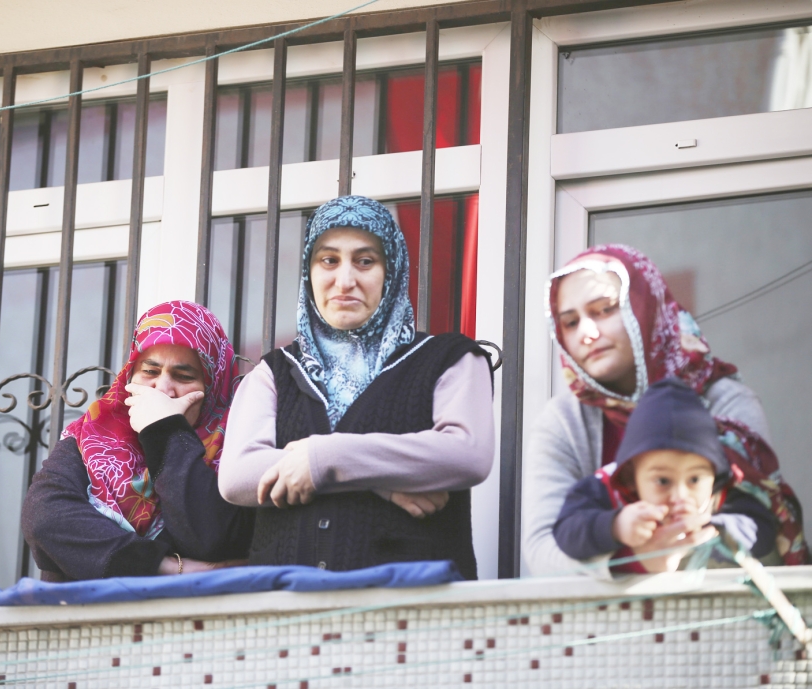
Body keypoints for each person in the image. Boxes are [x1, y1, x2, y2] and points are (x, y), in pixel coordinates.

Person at [218, 195, 496, 579]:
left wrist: (323, 458)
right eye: (328, 260)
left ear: (392, 269)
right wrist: (380, 480)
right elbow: (238, 477)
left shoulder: (451, 359)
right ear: (309, 271)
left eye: (365, 261)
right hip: (283, 624)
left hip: (414, 622)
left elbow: (466, 454)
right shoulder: (275, 372)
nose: (345, 280)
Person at [523, 244, 808, 577]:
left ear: (645, 306)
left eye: (604, 309)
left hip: (724, 619)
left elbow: (759, 522)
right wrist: (634, 558)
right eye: (570, 323)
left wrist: (692, 547)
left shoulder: (726, 401)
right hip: (605, 624)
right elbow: (542, 550)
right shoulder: (563, 422)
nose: (587, 333)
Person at [22, 301, 254, 581]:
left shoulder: (237, 448)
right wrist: (166, 565)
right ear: (130, 375)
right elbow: (47, 521)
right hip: (85, 618)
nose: (162, 388)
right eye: (150, 372)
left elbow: (210, 537)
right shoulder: (93, 435)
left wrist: (164, 430)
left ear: (212, 387)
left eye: (183, 376)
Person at [553, 378, 777, 573]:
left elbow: (763, 530)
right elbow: (566, 531)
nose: (679, 495)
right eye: (662, 481)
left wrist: (711, 528)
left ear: (714, 473)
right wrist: (616, 527)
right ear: (631, 477)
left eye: (695, 480)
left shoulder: (721, 493)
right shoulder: (606, 490)